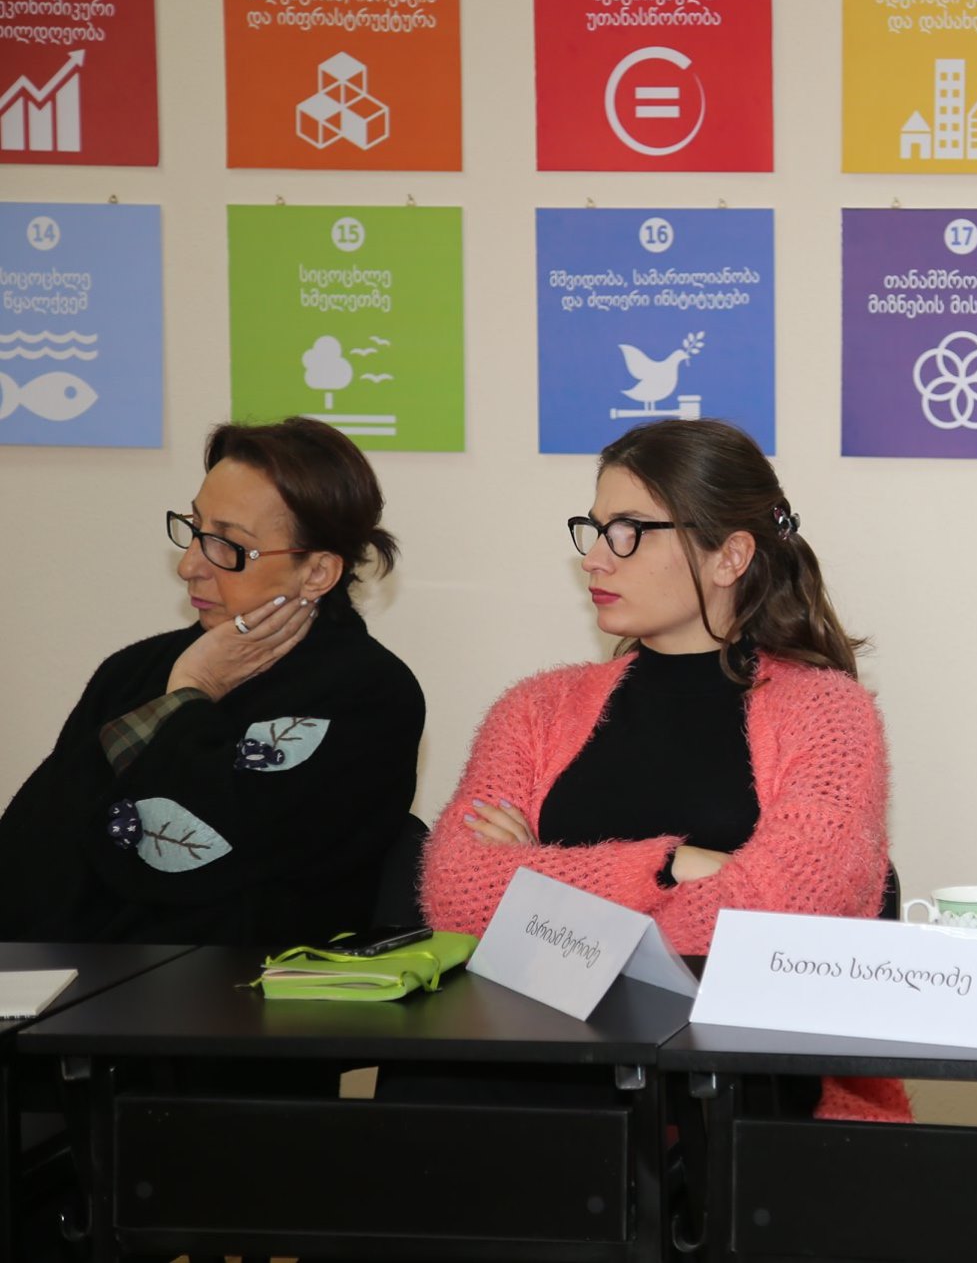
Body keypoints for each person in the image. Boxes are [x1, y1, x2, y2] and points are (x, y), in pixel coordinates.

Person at [419, 419, 907, 1121]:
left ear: (729, 555)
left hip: (724, 1078)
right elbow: (457, 892)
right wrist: (673, 865)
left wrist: (537, 887)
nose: (595, 559)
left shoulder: (828, 712)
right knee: (430, 1089)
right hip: (543, 1059)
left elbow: (783, 926)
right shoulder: (536, 708)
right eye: (595, 530)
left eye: (628, 531)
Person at [0, 417, 424, 945]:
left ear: (317, 572)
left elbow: (185, 860)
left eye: (227, 545)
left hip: (242, 988)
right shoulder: (135, 670)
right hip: (62, 979)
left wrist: (189, 696)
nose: (189, 566)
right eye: (195, 529)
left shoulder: (368, 695)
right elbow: (26, 860)